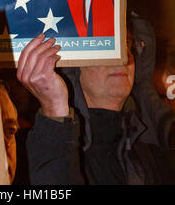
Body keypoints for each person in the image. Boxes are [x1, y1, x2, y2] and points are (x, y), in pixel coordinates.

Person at [17, 14, 175, 185]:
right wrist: (54, 110)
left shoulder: (157, 161)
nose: (122, 58)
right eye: (105, 45)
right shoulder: (27, 152)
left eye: (127, 44)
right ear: (72, 65)